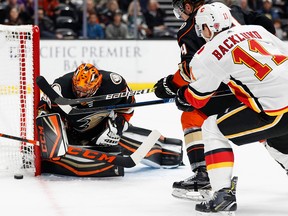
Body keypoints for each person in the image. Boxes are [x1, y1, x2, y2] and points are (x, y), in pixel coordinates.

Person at [153, 0, 276, 201]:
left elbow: (193, 71)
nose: (180, 16)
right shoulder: (231, 10)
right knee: (268, 126)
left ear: (188, 6)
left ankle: (204, 175)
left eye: (179, 10)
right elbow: (263, 21)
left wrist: (171, 85)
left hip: (231, 86)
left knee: (192, 115)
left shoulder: (190, 28)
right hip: (263, 81)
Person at [37, 63, 183, 177]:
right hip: (70, 129)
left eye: (85, 91)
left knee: (113, 132)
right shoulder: (60, 86)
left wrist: (119, 125)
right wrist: (46, 122)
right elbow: (43, 107)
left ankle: (169, 151)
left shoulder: (114, 84)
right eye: (77, 90)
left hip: (99, 128)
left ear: (97, 85)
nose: (80, 94)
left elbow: (127, 108)